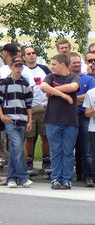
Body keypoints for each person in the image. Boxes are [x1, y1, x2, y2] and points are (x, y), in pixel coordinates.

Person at [40, 54, 80, 190]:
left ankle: (67, 179)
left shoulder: (74, 77)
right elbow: (43, 86)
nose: (51, 67)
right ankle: (56, 178)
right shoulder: (51, 77)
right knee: (56, 151)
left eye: (54, 64)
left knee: (68, 151)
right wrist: (62, 95)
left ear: (63, 64)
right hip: (52, 120)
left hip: (70, 121)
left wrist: (54, 91)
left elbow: (73, 87)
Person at [0, 56, 33, 188]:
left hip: (22, 119)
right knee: (17, 147)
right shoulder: (4, 83)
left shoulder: (25, 84)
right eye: (16, 66)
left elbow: (29, 104)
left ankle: (11, 178)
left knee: (15, 149)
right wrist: (2, 116)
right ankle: (23, 177)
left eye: (20, 66)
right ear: (11, 66)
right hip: (9, 119)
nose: (18, 68)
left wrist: (30, 120)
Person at [23, 46, 51, 175]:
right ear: (24, 57)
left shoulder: (44, 69)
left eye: (33, 53)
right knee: (29, 137)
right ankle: (29, 162)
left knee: (45, 136)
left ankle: (46, 162)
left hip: (44, 107)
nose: (32, 55)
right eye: (28, 53)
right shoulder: (22, 70)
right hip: (30, 108)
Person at [69, 53, 95, 187]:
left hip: (85, 116)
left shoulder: (89, 79)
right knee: (70, 147)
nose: (77, 64)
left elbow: (90, 96)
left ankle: (89, 176)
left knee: (87, 148)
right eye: (74, 62)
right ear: (68, 64)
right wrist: (78, 99)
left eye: (78, 62)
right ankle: (74, 174)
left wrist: (71, 99)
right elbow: (64, 96)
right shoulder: (66, 79)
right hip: (69, 116)